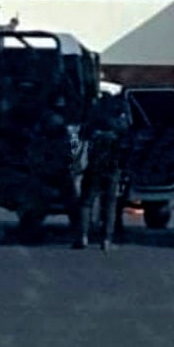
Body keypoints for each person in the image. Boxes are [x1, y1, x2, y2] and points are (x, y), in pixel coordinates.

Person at [73, 93, 132, 250]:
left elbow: (82, 135)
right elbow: (128, 139)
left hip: (94, 166)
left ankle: (82, 237)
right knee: (110, 203)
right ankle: (106, 240)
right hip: (113, 167)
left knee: (86, 201)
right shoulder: (120, 122)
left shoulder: (94, 119)